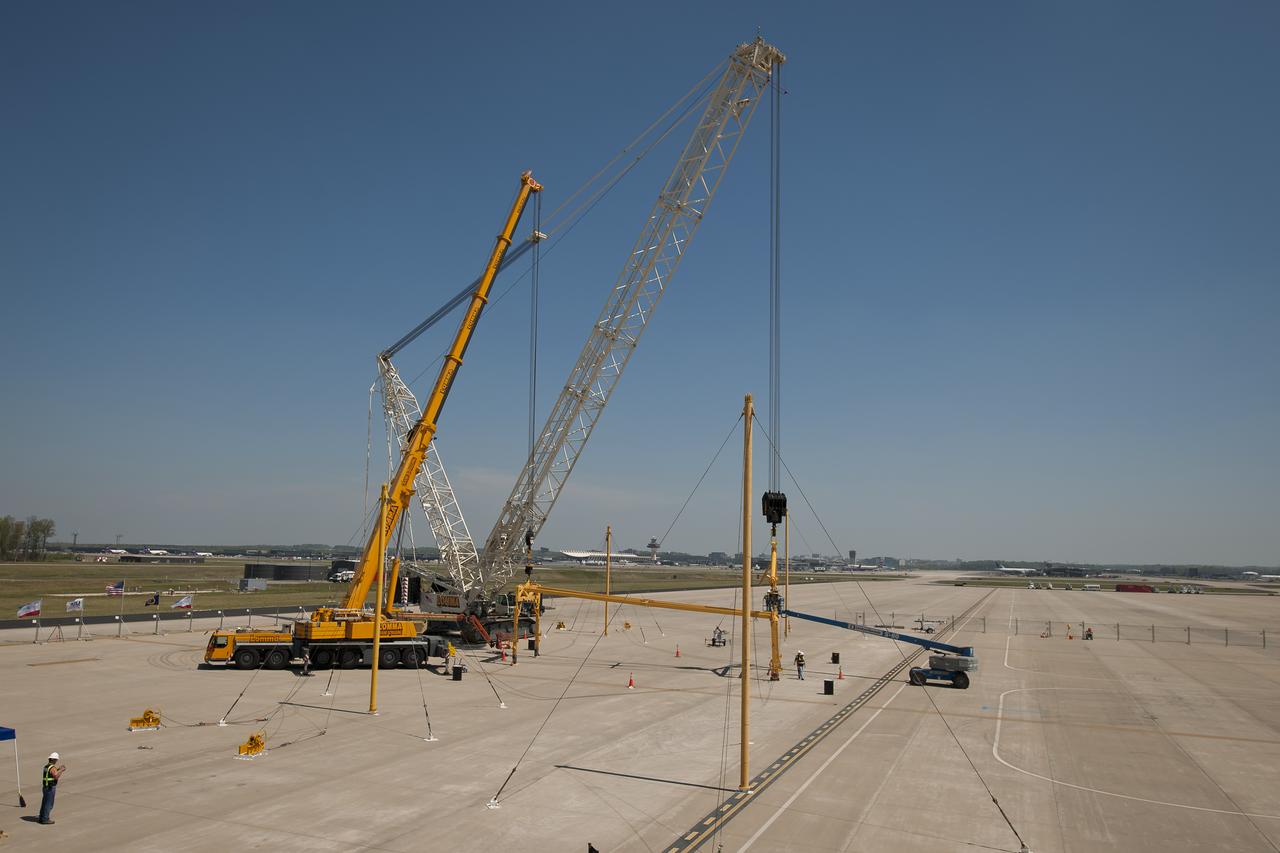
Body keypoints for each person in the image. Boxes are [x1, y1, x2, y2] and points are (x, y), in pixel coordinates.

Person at [39, 752, 65, 824]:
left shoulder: (46, 766)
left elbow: (51, 773)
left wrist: (58, 769)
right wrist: (61, 770)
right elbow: (56, 776)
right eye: (56, 760)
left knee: (44, 803)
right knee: (49, 804)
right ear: (54, 760)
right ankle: (45, 819)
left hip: (45, 787)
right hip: (50, 788)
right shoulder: (52, 768)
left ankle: (42, 817)